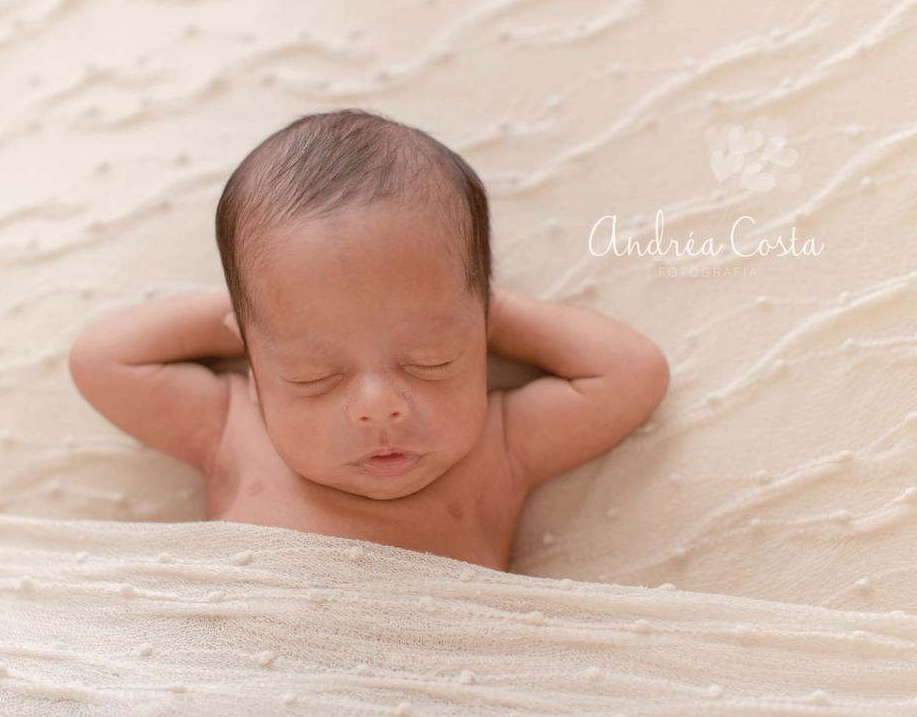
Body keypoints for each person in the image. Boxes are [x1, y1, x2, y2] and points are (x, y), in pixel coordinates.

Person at [68, 109, 668, 571]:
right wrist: (262, 317)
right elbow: (102, 359)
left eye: (430, 360)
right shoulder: (232, 426)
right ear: (256, 368)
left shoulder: (501, 443)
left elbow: (631, 373)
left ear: (481, 338)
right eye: (313, 374)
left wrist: (489, 308)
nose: (378, 405)